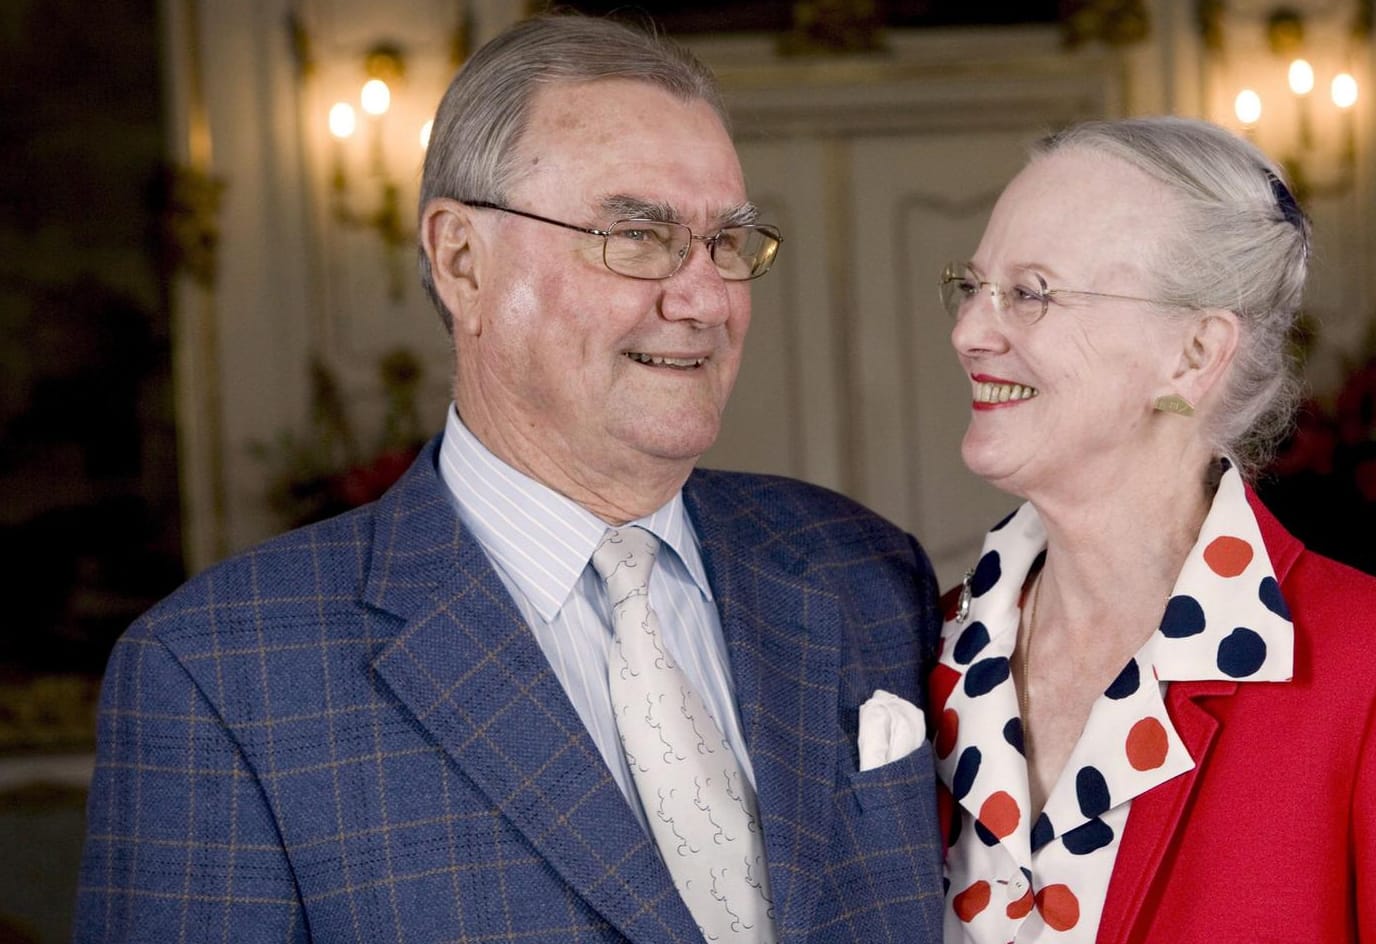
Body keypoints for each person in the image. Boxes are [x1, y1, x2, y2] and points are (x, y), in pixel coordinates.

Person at [74, 12, 944, 943]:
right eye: (637, 234)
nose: (702, 298)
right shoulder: (218, 674)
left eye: (726, 242)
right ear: (461, 260)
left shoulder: (862, 572)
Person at [929, 116, 1376, 943]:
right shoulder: (913, 643)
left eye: (1031, 292)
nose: (971, 330)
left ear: (1191, 353)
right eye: (972, 286)